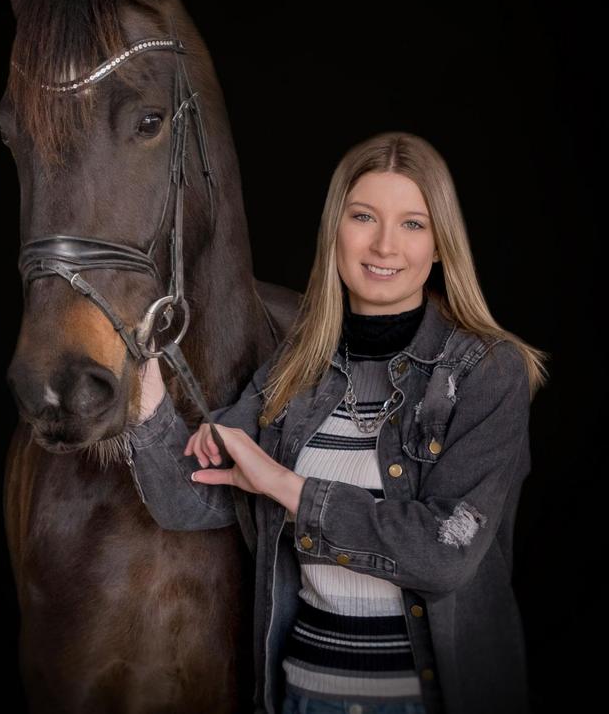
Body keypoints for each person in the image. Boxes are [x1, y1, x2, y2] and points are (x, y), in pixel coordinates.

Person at [126, 131, 549, 714]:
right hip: (305, 696)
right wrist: (141, 384)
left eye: (412, 224)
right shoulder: (297, 368)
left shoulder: (485, 371)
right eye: (363, 216)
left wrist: (282, 484)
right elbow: (187, 501)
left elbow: (441, 553)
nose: (383, 245)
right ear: (336, 231)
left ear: (441, 245)